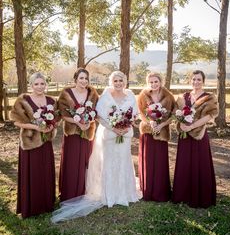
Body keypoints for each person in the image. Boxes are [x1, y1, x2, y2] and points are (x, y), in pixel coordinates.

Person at [51, 71, 139, 223]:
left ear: (125, 81)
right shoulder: (105, 96)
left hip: (125, 134)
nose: (118, 83)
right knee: (109, 163)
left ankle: (125, 192)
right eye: (116, 80)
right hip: (110, 135)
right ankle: (109, 193)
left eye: (121, 81)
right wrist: (114, 128)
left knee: (124, 161)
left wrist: (126, 125)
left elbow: (135, 115)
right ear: (112, 81)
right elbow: (99, 116)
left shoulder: (131, 95)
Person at [10, 72, 58, 218]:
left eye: (42, 83)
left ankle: (46, 204)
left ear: (46, 85)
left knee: (45, 172)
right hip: (30, 142)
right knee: (32, 173)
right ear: (31, 85)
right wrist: (35, 128)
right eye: (36, 84)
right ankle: (31, 206)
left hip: (46, 142)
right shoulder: (23, 100)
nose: (39, 86)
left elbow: (56, 119)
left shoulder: (51, 100)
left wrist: (51, 127)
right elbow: (16, 121)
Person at [172, 70, 218, 208]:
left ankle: (200, 195)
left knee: (200, 163)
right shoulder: (182, 97)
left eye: (199, 79)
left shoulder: (209, 97)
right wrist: (181, 124)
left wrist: (191, 126)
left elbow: (210, 115)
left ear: (203, 81)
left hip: (199, 134)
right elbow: (175, 113)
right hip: (184, 135)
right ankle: (182, 194)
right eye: (193, 79)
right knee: (184, 163)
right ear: (189, 81)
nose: (196, 82)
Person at [58, 68, 99, 201]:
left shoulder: (92, 93)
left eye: (86, 78)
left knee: (86, 161)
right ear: (75, 79)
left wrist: (88, 121)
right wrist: (78, 122)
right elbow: (63, 114)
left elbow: (95, 113)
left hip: (87, 133)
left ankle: (84, 191)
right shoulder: (66, 93)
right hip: (72, 133)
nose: (84, 81)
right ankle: (70, 192)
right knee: (72, 161)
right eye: (81, 78)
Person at [138, 72, 175, 202]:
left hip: (162, 132)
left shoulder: (168, 96)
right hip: (148, 132)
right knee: (148, 161)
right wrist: (150, 122)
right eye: (151, 82)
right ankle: (147, 191)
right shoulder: (143, 95)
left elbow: (173, 115)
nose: (154, 84)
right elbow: (141, 112)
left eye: (156, 81)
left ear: (161, 82)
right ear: (148, 83)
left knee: (160, 162)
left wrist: (162, 124)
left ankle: (160, 191)